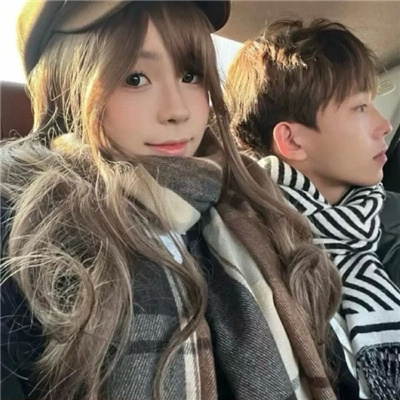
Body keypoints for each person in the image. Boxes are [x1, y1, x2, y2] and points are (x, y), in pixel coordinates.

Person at [0, 2, 343, 400]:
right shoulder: (25, 226)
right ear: (66, 85)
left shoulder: (256, 204)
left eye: (190, 75)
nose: (177, 110)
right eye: (134, 78)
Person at [225, 18, 400, 400]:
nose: (383, 125)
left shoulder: (391, 220)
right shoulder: (242, 247)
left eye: (373, 103)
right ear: (291, 141)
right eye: (359, 108)